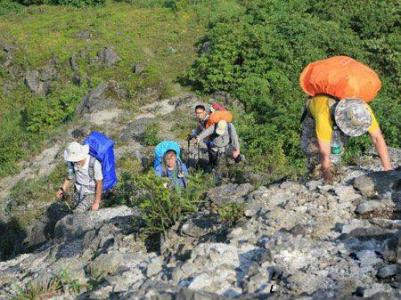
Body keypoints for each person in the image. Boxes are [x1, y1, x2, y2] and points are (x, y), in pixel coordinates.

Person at [301, 95, 392, 183]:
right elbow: (324, 151)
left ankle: (333, 167)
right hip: (312, 116)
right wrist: (327, 177)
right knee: (311, 149)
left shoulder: (362, 111)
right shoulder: (323, 117)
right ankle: (313, 175)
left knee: (336, 152)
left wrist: (388, 170)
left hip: (336, 115)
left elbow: (377, 138)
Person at [55, 142, 103, 212]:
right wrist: (62, 189)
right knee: (70, 209)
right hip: (78, 190)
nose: (74, 161)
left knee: (78, 212)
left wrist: (96, 202)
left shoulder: (94, 163)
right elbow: (70, 176)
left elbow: (99, 183)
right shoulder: (72, 162)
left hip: (91, 193)